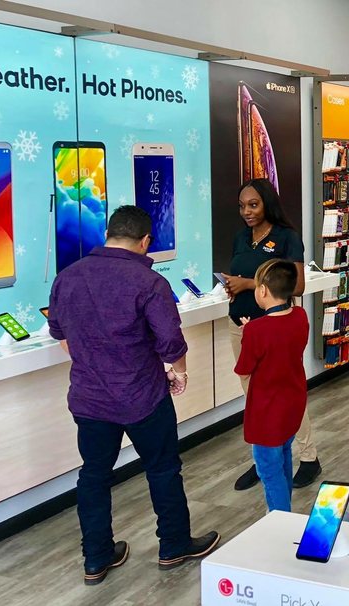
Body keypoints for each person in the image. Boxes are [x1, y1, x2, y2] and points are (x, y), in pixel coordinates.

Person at [48, 206, 219, 586]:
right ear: (145, 241)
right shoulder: (149, 282)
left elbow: (60, 334)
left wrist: (95, 362)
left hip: (90, 400)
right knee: (162, 468)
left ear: (108, 234)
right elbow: (171, 343)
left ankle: (96, 558)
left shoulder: (67, 277)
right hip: (143, 395)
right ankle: (173, 545)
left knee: (93, 475)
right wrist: (179, 373)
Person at [222, 178, 322, 491]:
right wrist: (233, 286)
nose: (247, 212)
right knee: (254, 397)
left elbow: (298, 286)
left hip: (276, 329)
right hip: (242, 327)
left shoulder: (286, 237)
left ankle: (308, 456)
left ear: (267, 203)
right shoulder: (241, 237)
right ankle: (264, 455)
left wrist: (249, 283)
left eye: (253, 205)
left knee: (285, 395)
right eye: (242, 206)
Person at [234, 260, 310, 513]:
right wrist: (253, 332)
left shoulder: (256, 330)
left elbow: (244, 368)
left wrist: (248, 335)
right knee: (284, 455)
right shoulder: (300, 316)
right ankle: (284, 513)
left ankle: (280, 518)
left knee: (268, 469)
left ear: (263, 290)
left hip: (267, 411)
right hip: (293, 403)